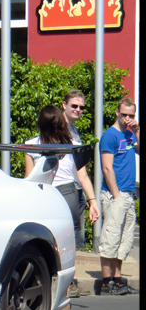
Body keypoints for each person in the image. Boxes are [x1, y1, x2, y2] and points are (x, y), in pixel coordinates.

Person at [25, 105, 99, 298]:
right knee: (67, 244)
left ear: (40, 123)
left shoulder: (31, 145)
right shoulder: (72, 145)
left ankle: (43, 282)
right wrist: (93, 201)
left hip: (44, 193)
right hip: (68, 193)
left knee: (42, 240)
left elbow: (29, 178)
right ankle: (66, 288)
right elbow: (82, 176)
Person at [60, 90, 101, 295]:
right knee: (65, 240)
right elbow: (80, 170)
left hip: (74, 189)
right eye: (74, 106)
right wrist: (93, 200)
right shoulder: (58, 128)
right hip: (64, 188)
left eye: (81, 107)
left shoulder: (74, 130)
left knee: (72, 240)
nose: (78, 110)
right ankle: (65, 285)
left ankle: (69, 282)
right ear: (64, 105)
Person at [97, 97, 139, 296]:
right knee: (111, 238)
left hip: (129, 193)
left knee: (125, 239)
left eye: (131, 115)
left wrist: (137, 130)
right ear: (117, 113)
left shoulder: (130, 134)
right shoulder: (109, 136)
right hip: (116, 193)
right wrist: (116, 194)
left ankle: (118, 279)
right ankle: (107, 283)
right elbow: (107, 167)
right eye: (124, 114)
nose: (127, 118)